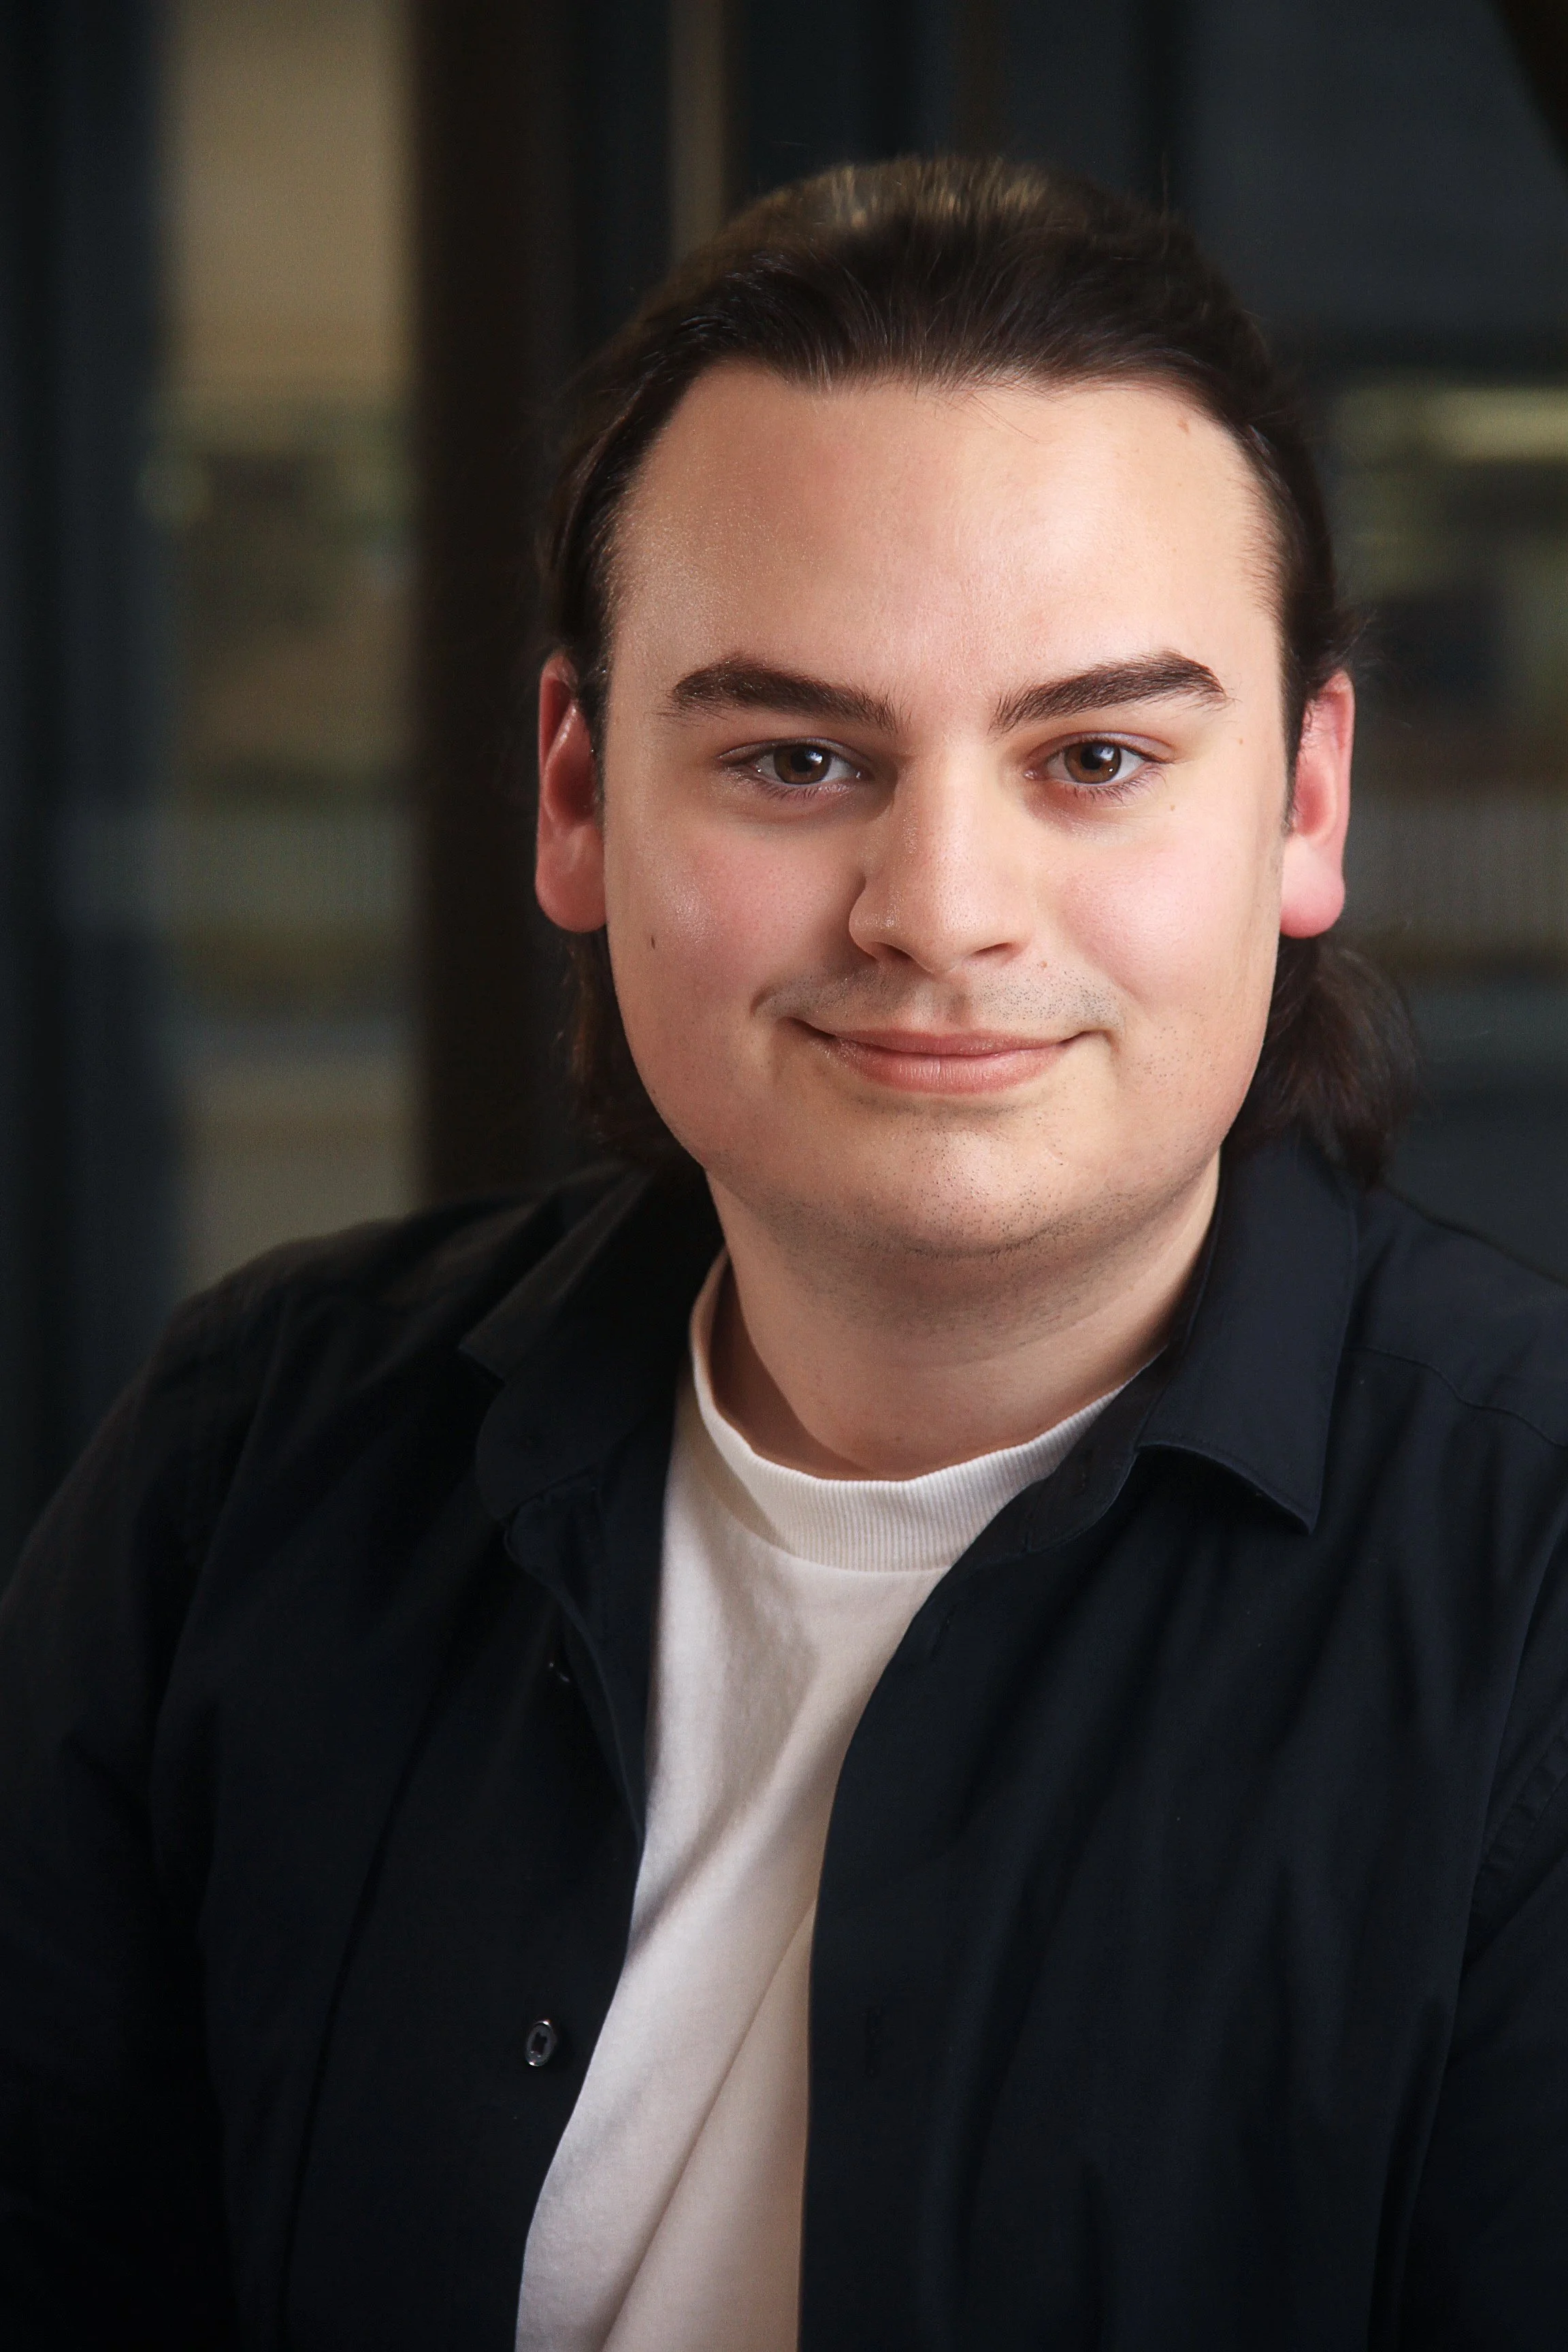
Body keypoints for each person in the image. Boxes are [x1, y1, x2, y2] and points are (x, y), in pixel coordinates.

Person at [3, 153, 1566, 2352]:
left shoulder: (1533, 1589)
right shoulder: (251, 1460)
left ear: (1307, 804)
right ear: (573, 791)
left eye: (1096, 756)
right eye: (802, 757)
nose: (940, 908)